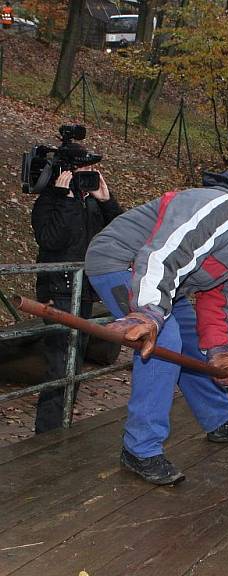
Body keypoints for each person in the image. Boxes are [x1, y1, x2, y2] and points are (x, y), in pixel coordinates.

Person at [84, 168, 228, 485]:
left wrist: (220, 353)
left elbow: (220, 297)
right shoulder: (222, 210)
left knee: (194, 344)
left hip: (168, 284)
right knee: (164, 343)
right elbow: (161, 256)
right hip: (124, 263)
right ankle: (140, 448)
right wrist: (148, 314)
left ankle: (220, 418)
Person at [31, 154, 122, 433]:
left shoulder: (92, 203)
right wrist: (64, 198)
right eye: (81, 170)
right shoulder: (48, 202)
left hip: (82, 293)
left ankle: (62, 426)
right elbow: (51, 240)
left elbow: (121, 233)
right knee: (60, 366)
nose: (88, 174)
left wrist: (107, 201)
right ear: (64, 172)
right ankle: (48, 433)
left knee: (74, 365)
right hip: (57, 292)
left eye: (91, 169)